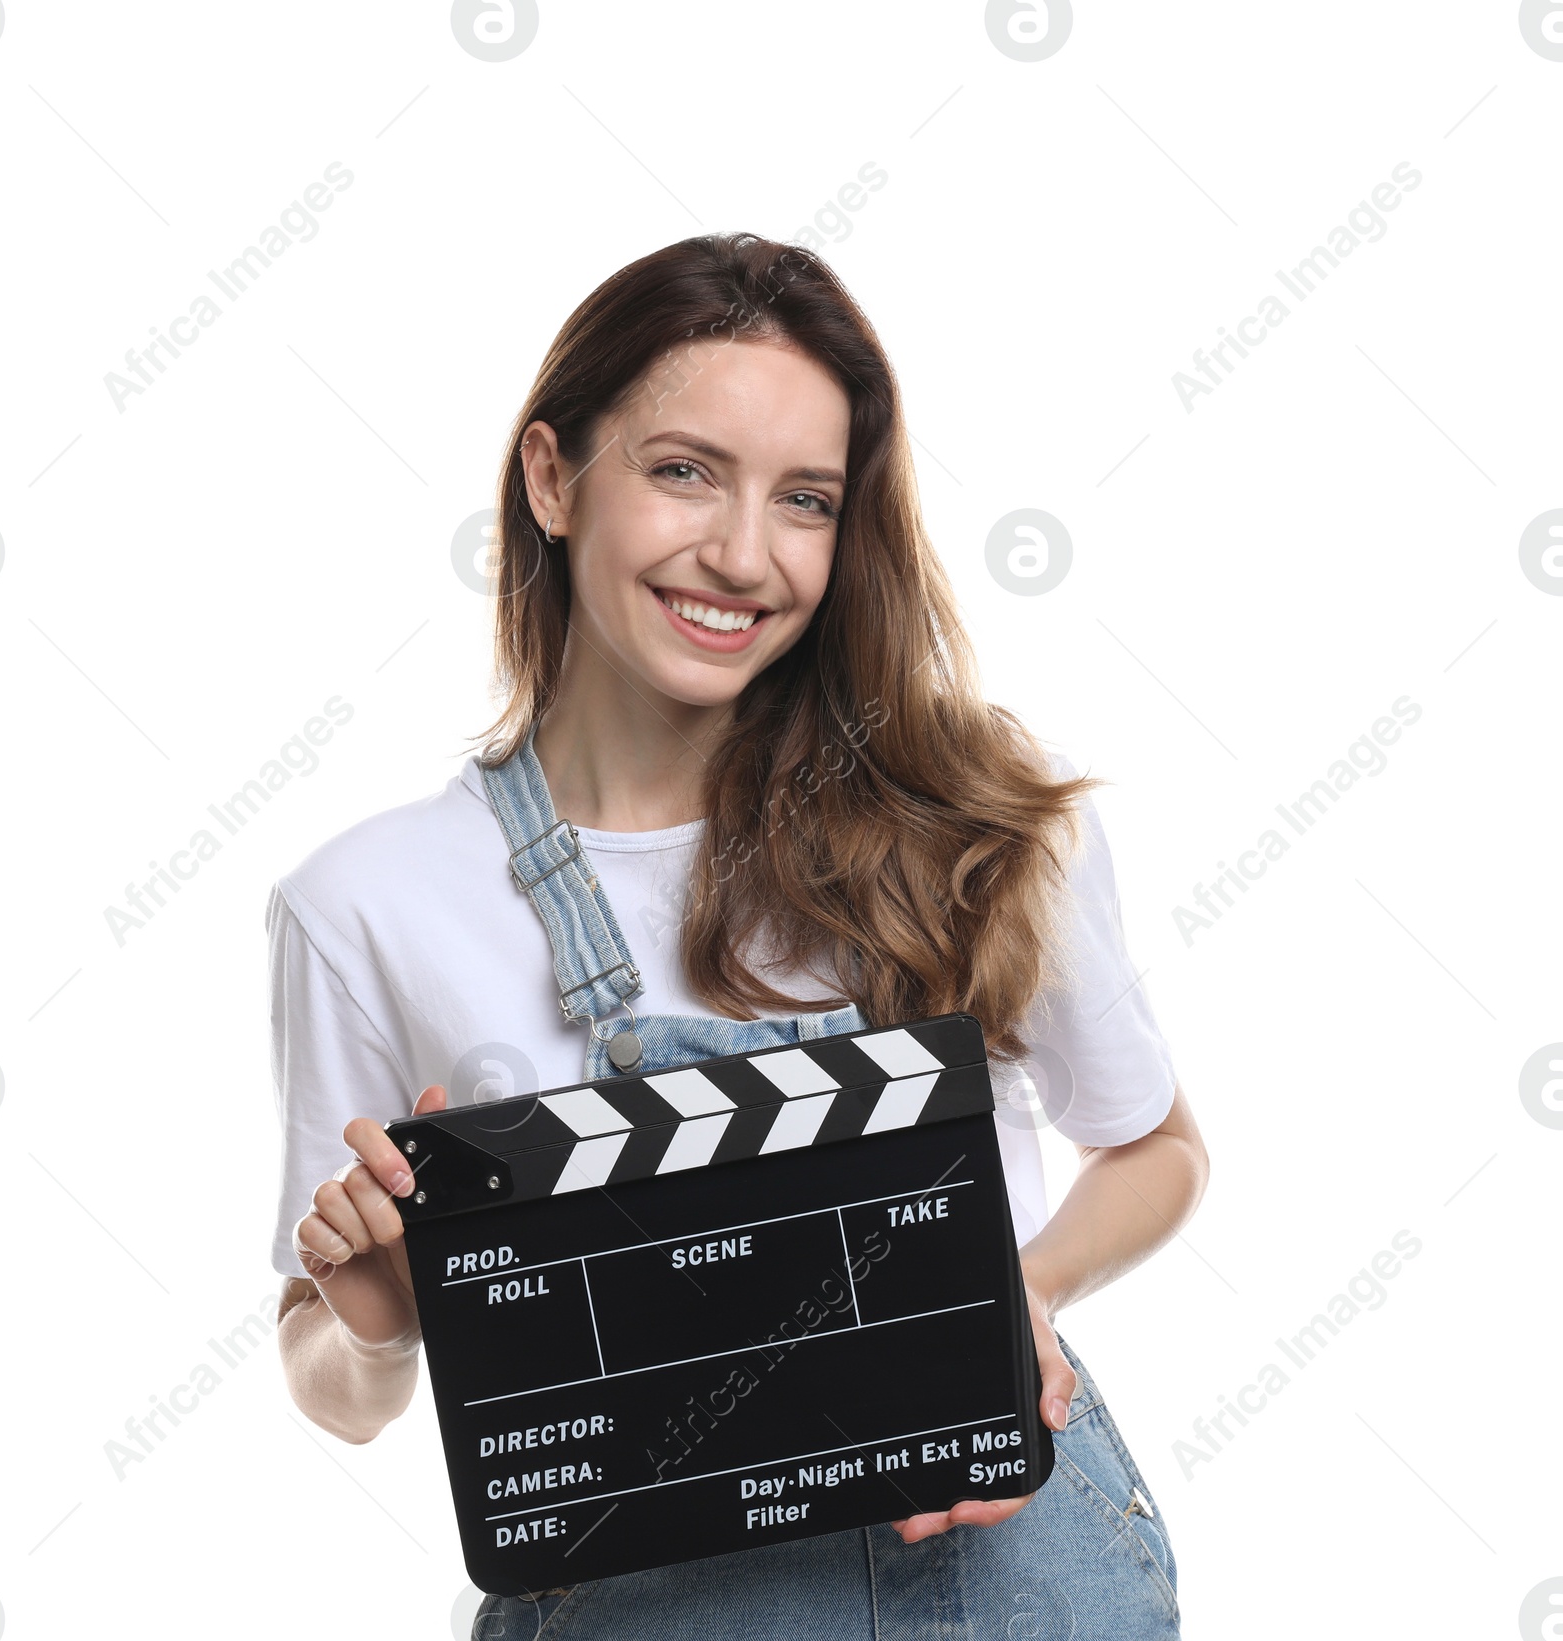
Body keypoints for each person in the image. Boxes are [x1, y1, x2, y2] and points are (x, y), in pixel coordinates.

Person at [269, 232, 1209, 1640]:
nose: (744, 553)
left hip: (1021, 1582)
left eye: (809, 500)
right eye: (684, 469)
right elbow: (335, 1386)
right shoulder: (367, 902)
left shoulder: (969, 815)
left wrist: (1015, 1292)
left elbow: (1158, 1147)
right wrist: (378, 1319)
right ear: (551, 478)